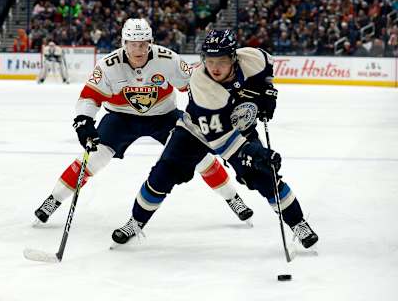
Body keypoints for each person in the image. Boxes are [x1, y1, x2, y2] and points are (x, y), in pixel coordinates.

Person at [112, 29, 319, 250]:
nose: (215, 67)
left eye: (221, 60)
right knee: (162, 175)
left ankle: (298, 223)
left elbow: (267, 64)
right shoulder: (201, 84)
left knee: (265, 176)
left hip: (239, 126)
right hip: (195, 131)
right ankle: (136, 222)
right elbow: (221, 142)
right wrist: (254, 154)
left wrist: (268, 90)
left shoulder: (252, 58)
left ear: (234, 58)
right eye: (210, 61)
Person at [33, 19, 254, 226]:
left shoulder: (168, 59)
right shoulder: (109, 65)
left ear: (151, 42)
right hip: (120, 118)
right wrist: (84, 122)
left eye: (143, 44)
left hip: (164, 116)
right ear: (124, 43)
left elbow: (197, 84)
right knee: (94, 157)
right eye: (133, 44)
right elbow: (90, 97)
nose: (138, 50)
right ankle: (53, 200)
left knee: (199, 157)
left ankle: (233, 198)